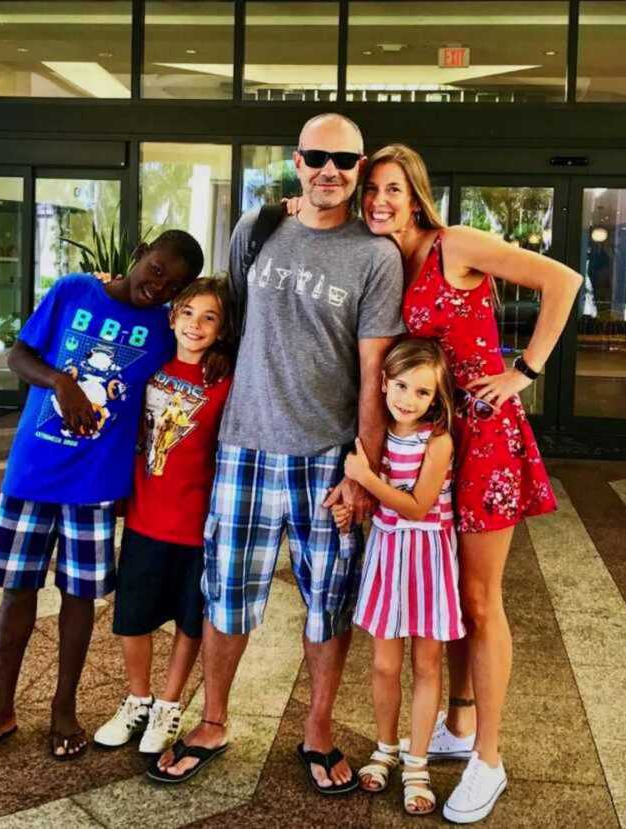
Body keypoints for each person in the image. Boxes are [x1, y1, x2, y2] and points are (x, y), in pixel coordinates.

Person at [150, 113, 406, 793]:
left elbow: (375, 369)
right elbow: (229, 321)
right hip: (244, 448)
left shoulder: (375, 255)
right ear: (297, 161)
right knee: (225, 596)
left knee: (328, 601)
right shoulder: (255, 229)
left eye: (344, 161)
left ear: (357, 169)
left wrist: (364, 470)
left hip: (327, 457)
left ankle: (318, 732)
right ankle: (213, 719)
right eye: (317, 157)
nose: (330, 170)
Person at [358, 144, 581, 822]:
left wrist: (525, 370)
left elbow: (563, 281)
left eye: (393, 188)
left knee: (480, 600)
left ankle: (489, 756)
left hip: (483, 438)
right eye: (371, 189)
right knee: (447, 594)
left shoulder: (455, 243)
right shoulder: (384, 260)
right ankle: (459, 718)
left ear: (416, 192)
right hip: (429, 442)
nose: (379, 200)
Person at [0, 231, 204, 765]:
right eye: (156, 269)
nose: (157, 287)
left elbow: (185, 369)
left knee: (78, 597)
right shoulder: (72, 291)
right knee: (16, 591)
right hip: (34, 472)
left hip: (95, 485)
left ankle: (64, 709)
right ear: (138, 256)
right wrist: (60, 383)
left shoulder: (163, 328)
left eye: (173, 284)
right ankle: (0, 708)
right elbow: (19, 353)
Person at [93, 277, 233, 755]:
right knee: (132, 618)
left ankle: (169, 706)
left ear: (222, 328)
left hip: (197, 527)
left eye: (209, 317)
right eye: (188, 313)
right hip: (144, 519)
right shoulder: (150, 368)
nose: (196, 325)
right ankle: (137, 699)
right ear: (172, 317)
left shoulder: (225, 381)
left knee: (189, 623)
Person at [334, 338, 463, 816]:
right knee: (386, 665)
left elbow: (418, 506)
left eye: (423, 392)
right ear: (384, 382)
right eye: (402, 385)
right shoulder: (375, 433)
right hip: (388, 557)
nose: (408, 399)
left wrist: (364, 479)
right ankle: (385, 747)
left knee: (427, 666)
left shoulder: (439, 441)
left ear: (437, 397)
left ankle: (417, 762)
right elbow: (374, 504)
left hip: (428, 558)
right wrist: (352, 506)